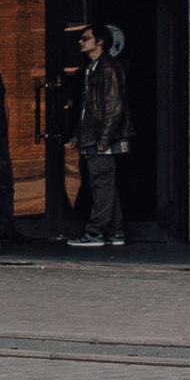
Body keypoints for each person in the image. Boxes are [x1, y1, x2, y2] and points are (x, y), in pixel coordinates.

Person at [68, 22, 130, 248]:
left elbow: (114, 106)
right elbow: (87, 109)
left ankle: (95, 233)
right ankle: (115, 232)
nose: (80, 42)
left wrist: (104, 139)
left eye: (85, 38)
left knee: (101, 185)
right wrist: (77, 135)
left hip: (101, 138)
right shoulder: (92, 69)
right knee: (105, 185)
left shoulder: (108, 68)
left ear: (100, 41)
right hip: (94, 135)